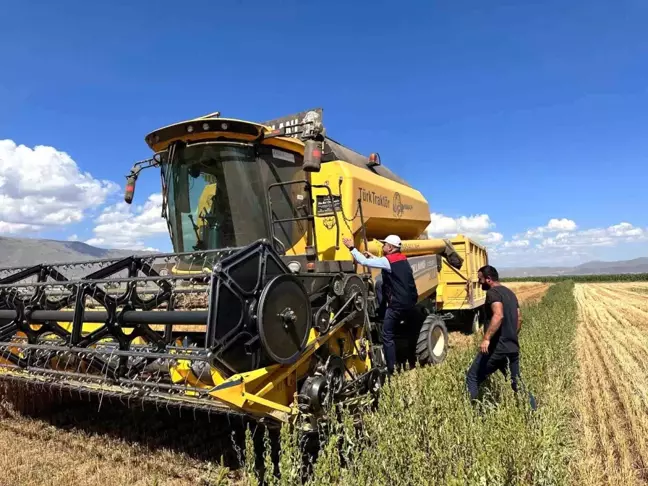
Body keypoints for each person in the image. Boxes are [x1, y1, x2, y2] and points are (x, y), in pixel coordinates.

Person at [342, 234, 418, 375]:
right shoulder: (402, 259)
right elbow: (386, 263)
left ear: (390, 247)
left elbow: (363, 262)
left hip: (397, 305)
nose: (382, 246)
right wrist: (374, 258)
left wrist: (352, 247)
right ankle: (412, 361)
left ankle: (391, 369)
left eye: (384, 245)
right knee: (409, 332)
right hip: (411, 301)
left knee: (387, 335)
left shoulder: (388, 261)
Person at [465, 265, 537, 410]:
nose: (479, 283)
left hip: (496, 349)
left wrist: (486, 338)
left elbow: (498, 315)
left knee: (472, 377)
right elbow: (519, 318)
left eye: (480, 279)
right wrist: (511, 335)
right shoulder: (510, 293)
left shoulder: (493, 293)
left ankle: (474, 414)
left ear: (489, 279)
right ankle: (533, 412)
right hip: (512, 347)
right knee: (517, 383)